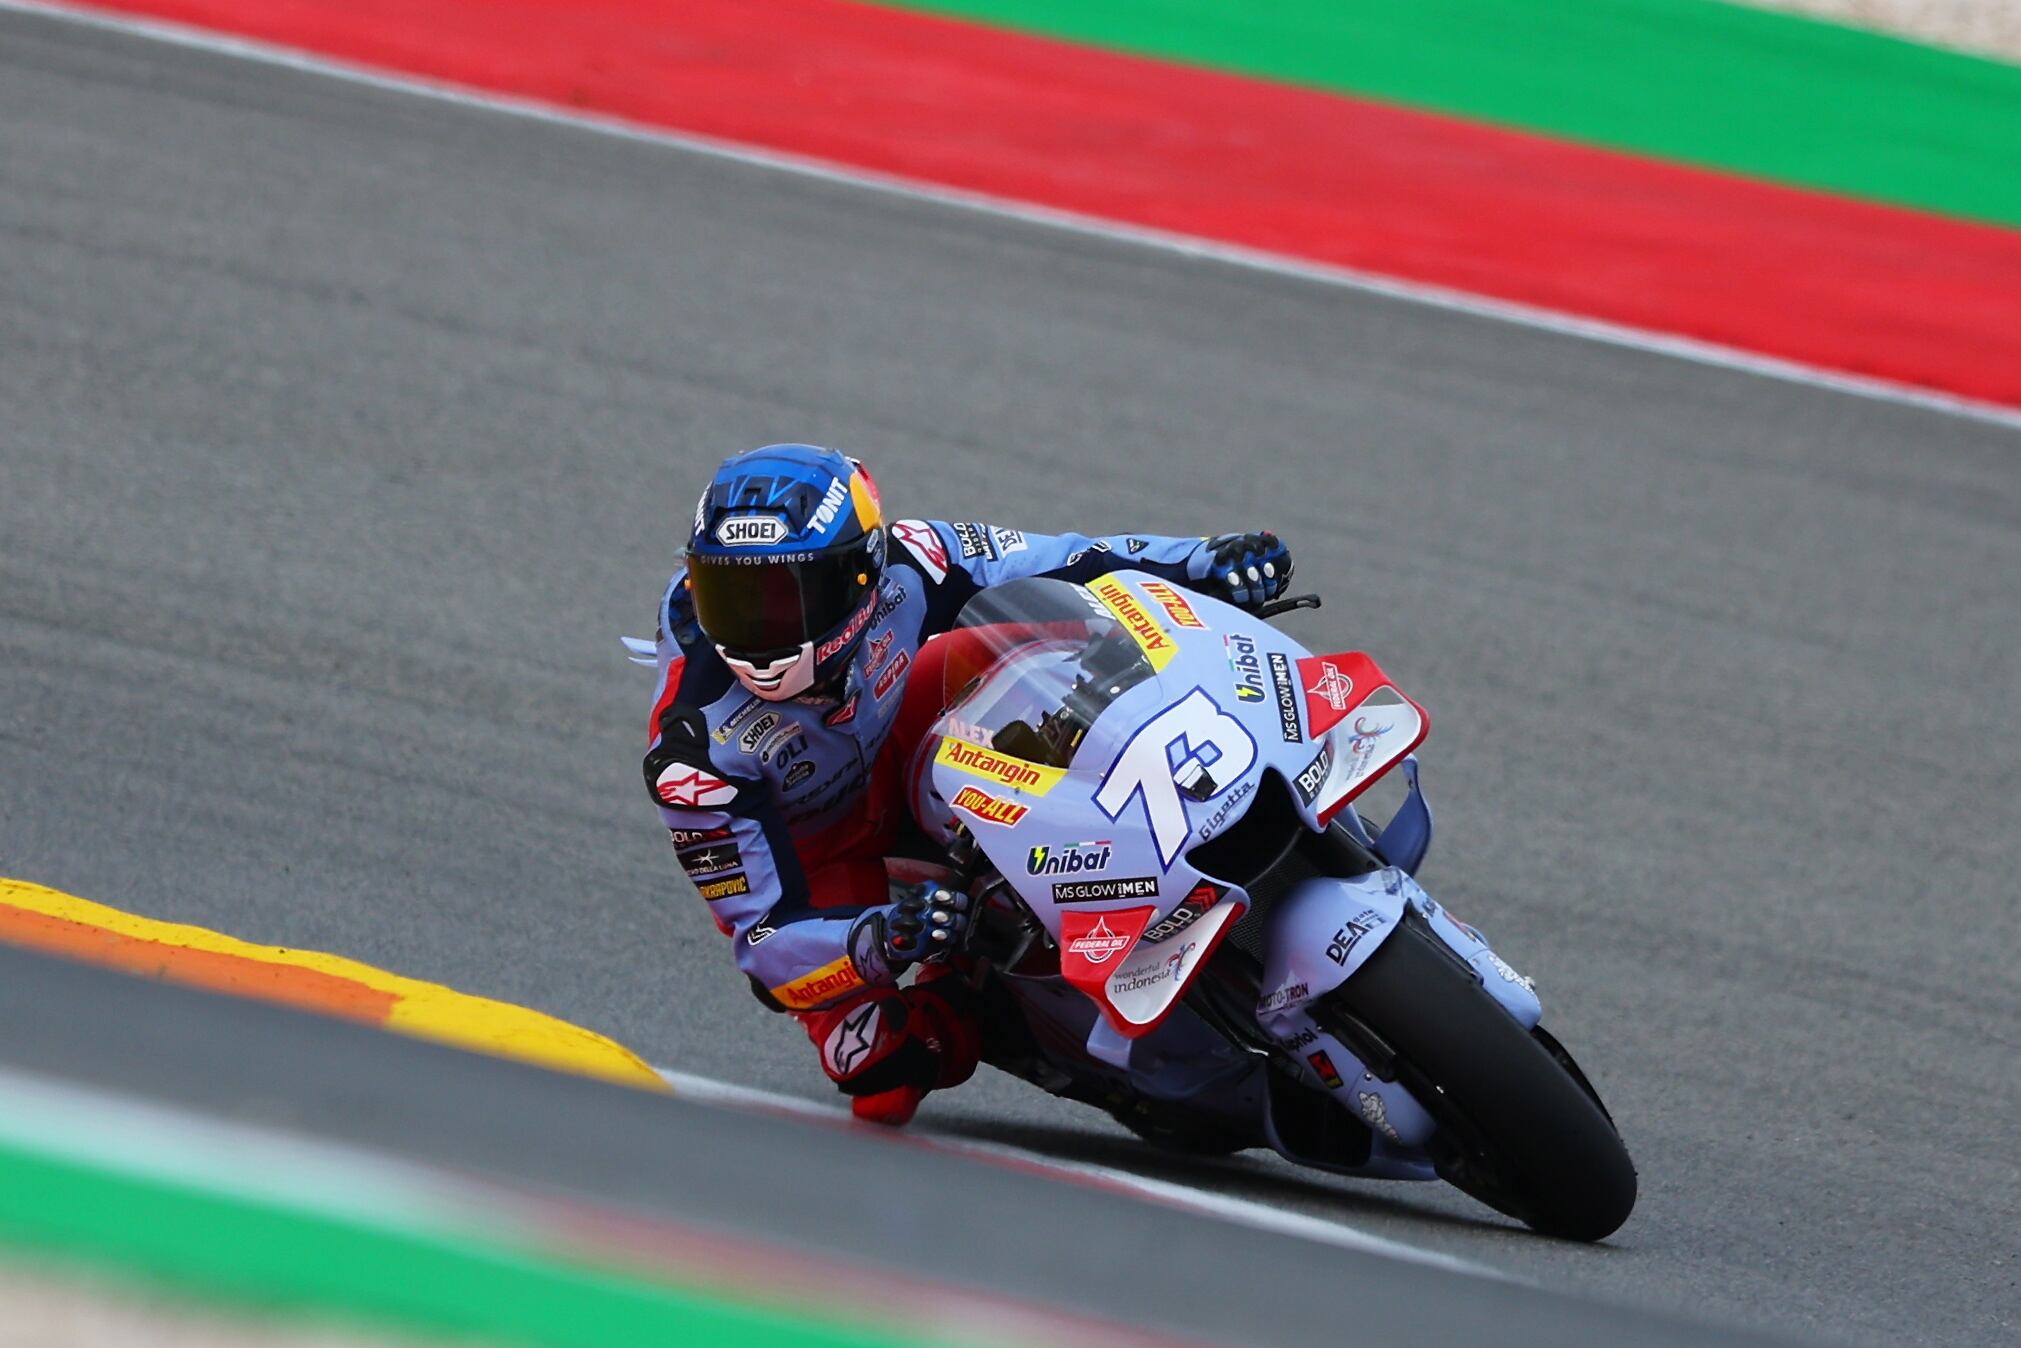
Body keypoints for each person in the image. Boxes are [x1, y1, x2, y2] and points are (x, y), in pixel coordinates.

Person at [642, 444, 1292, 1124]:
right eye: (727, 597)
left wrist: (1198, 565)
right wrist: (885, 937)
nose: (754, 631)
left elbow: (1064, 559)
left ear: (860, 573)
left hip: (910, 730)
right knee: (880, 1074)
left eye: (782, 599)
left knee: (1061, 634)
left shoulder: (913, 558)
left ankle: (1182, 795)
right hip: (825, 860)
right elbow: (766, 942)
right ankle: (993, 1002)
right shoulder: (694, 757)